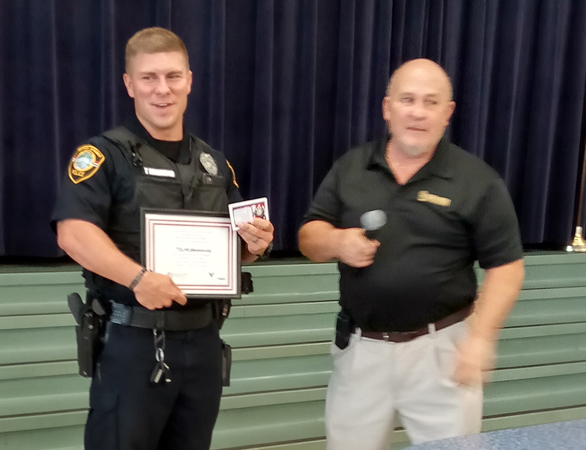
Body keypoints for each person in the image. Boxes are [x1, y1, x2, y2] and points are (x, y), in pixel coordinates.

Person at [52, 27, 273, 450]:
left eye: (173, 76)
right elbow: (73, 233)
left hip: (203, 341)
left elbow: (238, 244)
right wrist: (138, 280)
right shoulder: (103, 156)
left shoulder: (214, 164)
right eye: (149, 77)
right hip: (132, 344)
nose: (162, 90)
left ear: (190, 80)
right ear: (129, 84)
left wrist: (255, 243)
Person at [298, 59, 524, 449]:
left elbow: (507, 267)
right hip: (361, 352)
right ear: (388, 108)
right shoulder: (352, 168)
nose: (418, 112)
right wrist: (336, 243)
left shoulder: (478, 181)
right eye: (407, 100)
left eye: (431, 102)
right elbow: (308, 235)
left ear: (447, 113)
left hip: (443, 352)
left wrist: (481, 338)